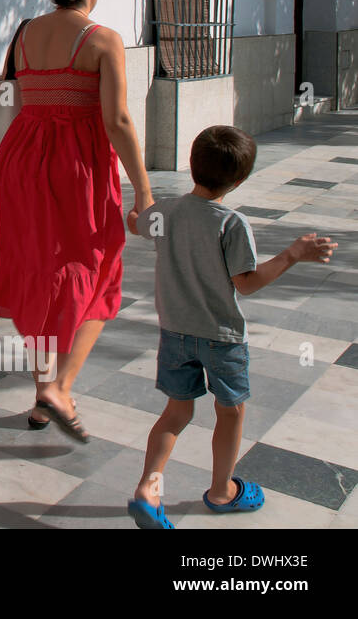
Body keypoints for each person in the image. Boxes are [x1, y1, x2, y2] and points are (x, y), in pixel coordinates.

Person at [127, 125, 336, 528]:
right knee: (231, 411)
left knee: (175, 414)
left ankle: (148, 490)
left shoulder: (165, 212)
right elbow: (248, 283)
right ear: (240, 180)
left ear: (191, 167)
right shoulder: (232, 223)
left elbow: (137, 222)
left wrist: (138, 210)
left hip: (174, 333)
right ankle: (222, 490)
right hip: (221, 338)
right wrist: (293, 254)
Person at [0, 0, 153, 441]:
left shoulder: (24, 34)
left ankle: (43, 397)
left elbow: (7, 95)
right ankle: (60, 386)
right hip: (75, 164)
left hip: (22, 159)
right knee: (98, 270)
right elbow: (118, 120)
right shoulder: (102, 39)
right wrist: (144, 192)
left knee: (40, 268)